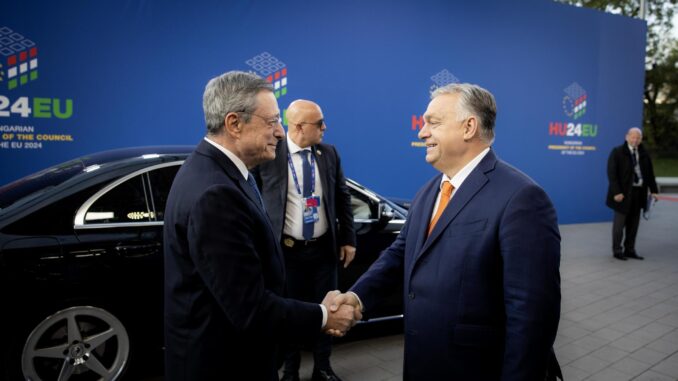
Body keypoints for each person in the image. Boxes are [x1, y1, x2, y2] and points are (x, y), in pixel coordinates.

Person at [330, 83, 562, 380]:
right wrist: (357, 298)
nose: (421, 132)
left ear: (468, 127)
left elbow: (531, 316)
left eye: (433, 123)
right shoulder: (429, 192)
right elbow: (400, 254)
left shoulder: (522, 198)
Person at [163, 71, 357, 381]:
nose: (281, 133)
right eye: (272, 122)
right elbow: (250, 309)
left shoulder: (223, 172)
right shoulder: (216, 193)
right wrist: (324, 315)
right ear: (234, 124)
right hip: (224, 366)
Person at [253, 99, 356, 381]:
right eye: (319, 123)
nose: (325, 127)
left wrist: (348, 238)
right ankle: (291, 370)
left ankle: (323, 367)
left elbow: (342, 197)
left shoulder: (329, 153)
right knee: (289, 311)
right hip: (287, 253)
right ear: (298, 126)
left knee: (328, 308)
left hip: (324, 250)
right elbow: (254, 201)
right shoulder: (271, 154)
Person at [606, 127, 659, 260]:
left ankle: (630, 249)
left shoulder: (644, 154)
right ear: (627, 137)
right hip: (622, 195)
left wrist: (654, 191)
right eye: (633, 137)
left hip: (639, 193)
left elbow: (650, 174)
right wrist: (617, 192)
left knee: (633, 225)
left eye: (638, 138)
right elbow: (612, 174)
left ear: (640, 140)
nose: (635, 140)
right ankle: (617, 251)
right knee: (619, 226)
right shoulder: (617, 152)